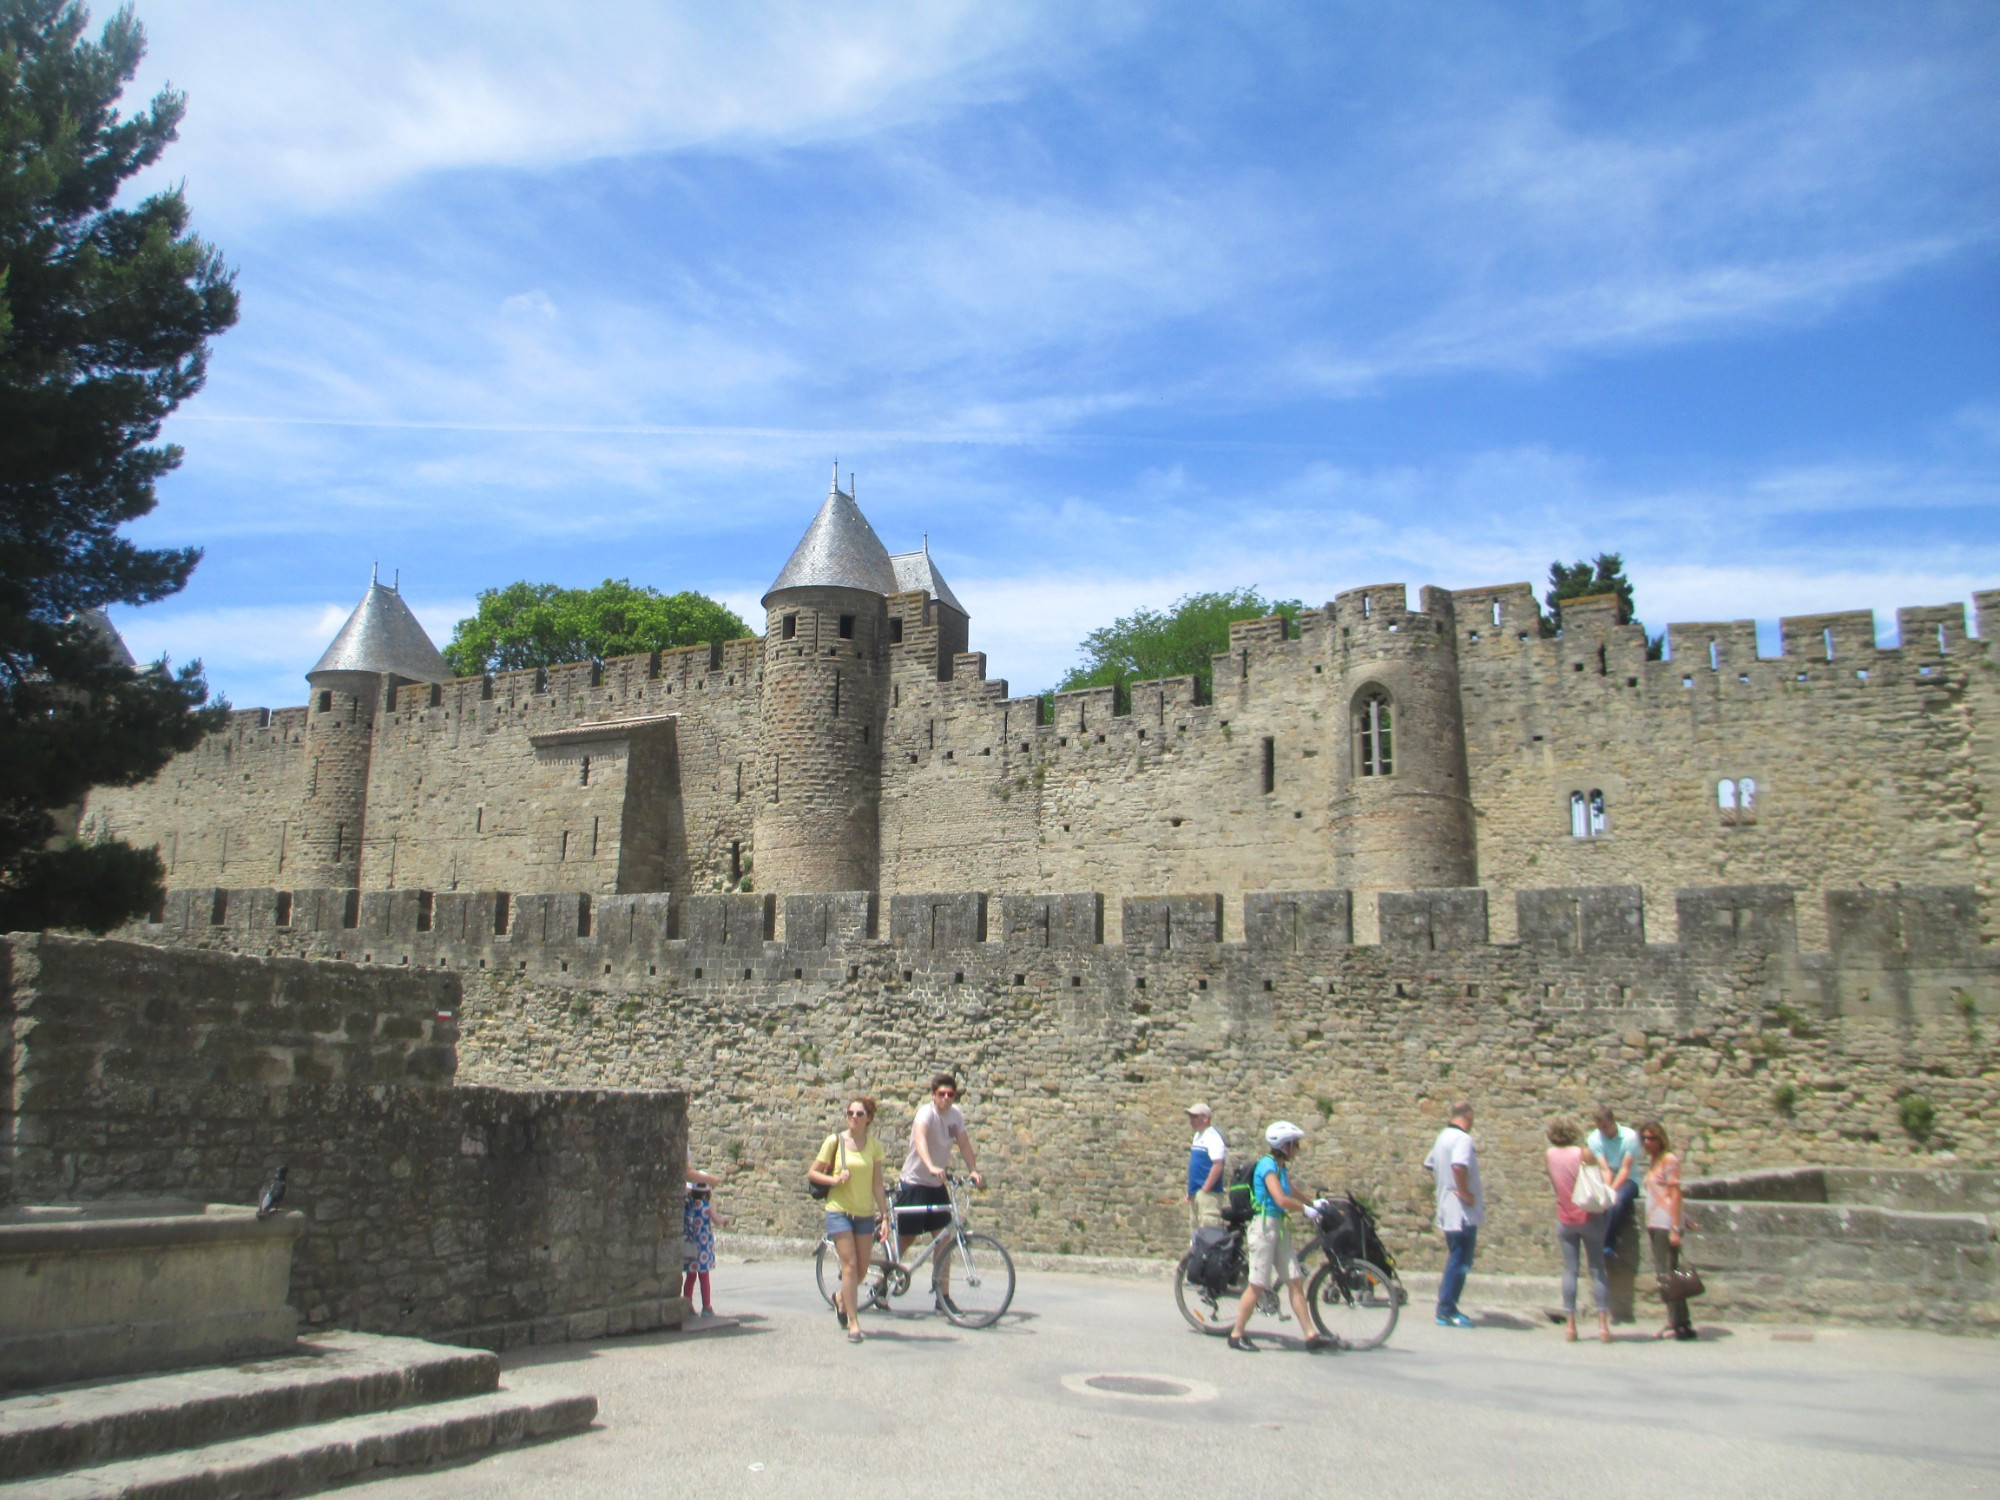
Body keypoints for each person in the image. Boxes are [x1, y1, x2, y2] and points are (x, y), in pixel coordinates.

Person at [1226, 1121, 1331, 1352]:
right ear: (1285, 1145)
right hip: (1264, 1228)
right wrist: (1306, 1210)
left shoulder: (1280, 1167)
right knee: (1257, 1285)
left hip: (1278, 1227)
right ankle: (1236, 1334)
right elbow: (1280, 1199)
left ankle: (1311, 1336)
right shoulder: (1267, 1165)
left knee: (1295, 1280)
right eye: (1296, 1145)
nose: (1298, 1149)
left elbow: (1289, 1190)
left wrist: (1311, 1202)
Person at [810, 1096, 889, 1344]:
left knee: (863, 1268)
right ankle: (854, 1323)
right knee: (850, 1265)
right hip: (839, 1210)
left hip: (864, 1213)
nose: (853, 1118)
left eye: (859, 1114)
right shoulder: (834, 1142)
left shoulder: (874, 1146)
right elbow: (812, 1172)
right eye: (850, 1113)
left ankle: (842, 1298)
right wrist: (833, 1180)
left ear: (868, 1118)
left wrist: (884, 1216)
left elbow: (877, 1184)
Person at [895, 1073, 982, 1269]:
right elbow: (920, 1140)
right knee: (907, 1238)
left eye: (950, 1094)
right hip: (914, 1183)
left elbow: (964, 1144)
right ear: (934, 1095)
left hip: (936, 1185)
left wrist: (973, 1171)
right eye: (941, 1094)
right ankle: (884, 1279)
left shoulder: (955, 1115)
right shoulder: (926, 1113)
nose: (946, 1098)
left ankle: (942, 1295)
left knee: (943, 1239)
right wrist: (931, 1166)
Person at [1543, 1120, 1611, 1343]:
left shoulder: (1549, 1155)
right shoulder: (1584, 1153)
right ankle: (1603, 1326)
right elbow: (1595, 1183)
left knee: (1570, 1271)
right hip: (1588, 1216)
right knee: (1597, 1269)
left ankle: (1571, 1326)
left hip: (1565, 1217)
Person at [1423, 1099, 1483, 1328]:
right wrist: (1464, 1191)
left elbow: (1429, 1164)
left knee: (1456, 1256)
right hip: (1461, 1211)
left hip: (1447, 1206)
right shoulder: (1462, 1139)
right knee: (1460, 1259)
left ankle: (1447, 1306)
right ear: (1468, 1115)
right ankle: (1447, 1308)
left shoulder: (1442, 1137)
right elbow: (1459, 1166)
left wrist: (1444, 1184)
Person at [1641, 1119, 1696, 1341]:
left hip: (1665, 1224)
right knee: (1665, 1274)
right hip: (1655, 1222)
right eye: (1644, 1138)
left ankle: (1679, 1322)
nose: (1648, 1142)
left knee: (1669, 1275)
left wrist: (1676, 1227)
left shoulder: (1669, 1160)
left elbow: (1675, 1194)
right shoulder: (1654, 1161)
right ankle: (1677, 1320)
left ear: (1661, 1139)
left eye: (1652, 1138)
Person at [1588, 1105, 1643, 1261]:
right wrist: (1606, 1190)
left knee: (1616, 1200)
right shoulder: (1594, 1139)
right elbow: (1605, 1169)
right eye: (1600, 1128)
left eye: (1606, 1127)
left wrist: (1611, 1192)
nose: (1603, 1131)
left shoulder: (1630, 1137)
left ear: (1613, 1122)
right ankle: (1604, 1242)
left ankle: (1606, 1243)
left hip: (1630, 1180)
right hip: (1609, 1177)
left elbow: (1625, 1170)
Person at [681, 1166, 722, 1320]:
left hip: (691, 1246)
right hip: (704, 1247)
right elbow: (717, 1221)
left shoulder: (689, 1205)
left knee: (690, 1278)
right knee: (704, 1278)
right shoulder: (708, 1206)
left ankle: (687, 1305)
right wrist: (723, 1221)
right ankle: (706, 1307)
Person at [1185, 1103, 1227, 1234]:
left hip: (1208, 1194)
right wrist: (1190, 1191)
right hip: (1195, 1192)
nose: (1191, 1120)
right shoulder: (1198, 1136)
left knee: (1208, 1231)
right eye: (1190, 1116)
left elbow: (1218, 1165)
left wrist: (1205, 1189)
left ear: (1205, 1118)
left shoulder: (1213, 1137)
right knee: (1195, 1230)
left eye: (1195, 1116)